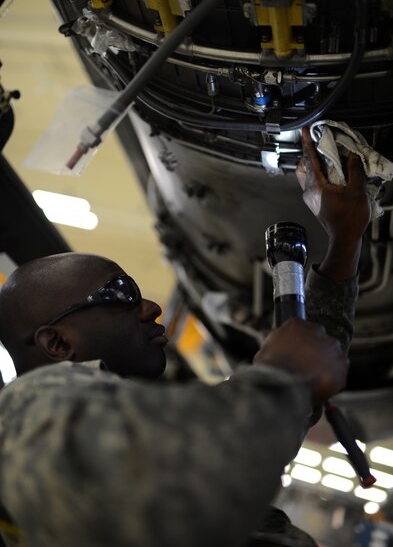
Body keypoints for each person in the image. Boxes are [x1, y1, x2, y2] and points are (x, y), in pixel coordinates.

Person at [0, 127, 370, 547]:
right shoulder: (22, 415)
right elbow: (203, 454)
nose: (151, 307)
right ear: (58, 343)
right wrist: (281, 376)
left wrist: (345, 240)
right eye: (121, 295)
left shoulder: (146, 434)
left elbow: (298, 385)